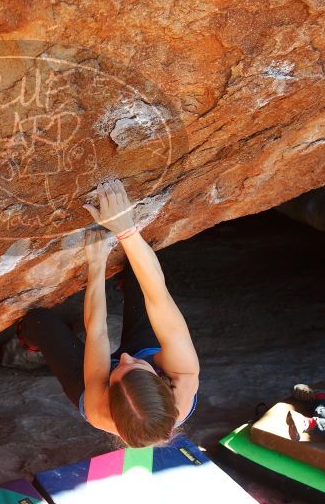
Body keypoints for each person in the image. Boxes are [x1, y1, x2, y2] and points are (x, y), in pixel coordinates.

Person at [18, 179, 200, 447]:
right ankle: (127, 282)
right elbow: (158, 297)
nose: (124, 358)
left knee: (39, 321)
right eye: (134, 365)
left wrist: (97, 262)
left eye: (118, 370)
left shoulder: (98, 408)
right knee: (143, 278)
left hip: (101, 381)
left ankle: (28, 338)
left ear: (109, 395)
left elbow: (99, 332)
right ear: (162, 384)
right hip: (153, 361)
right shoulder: (183, 376)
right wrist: (125, 229)